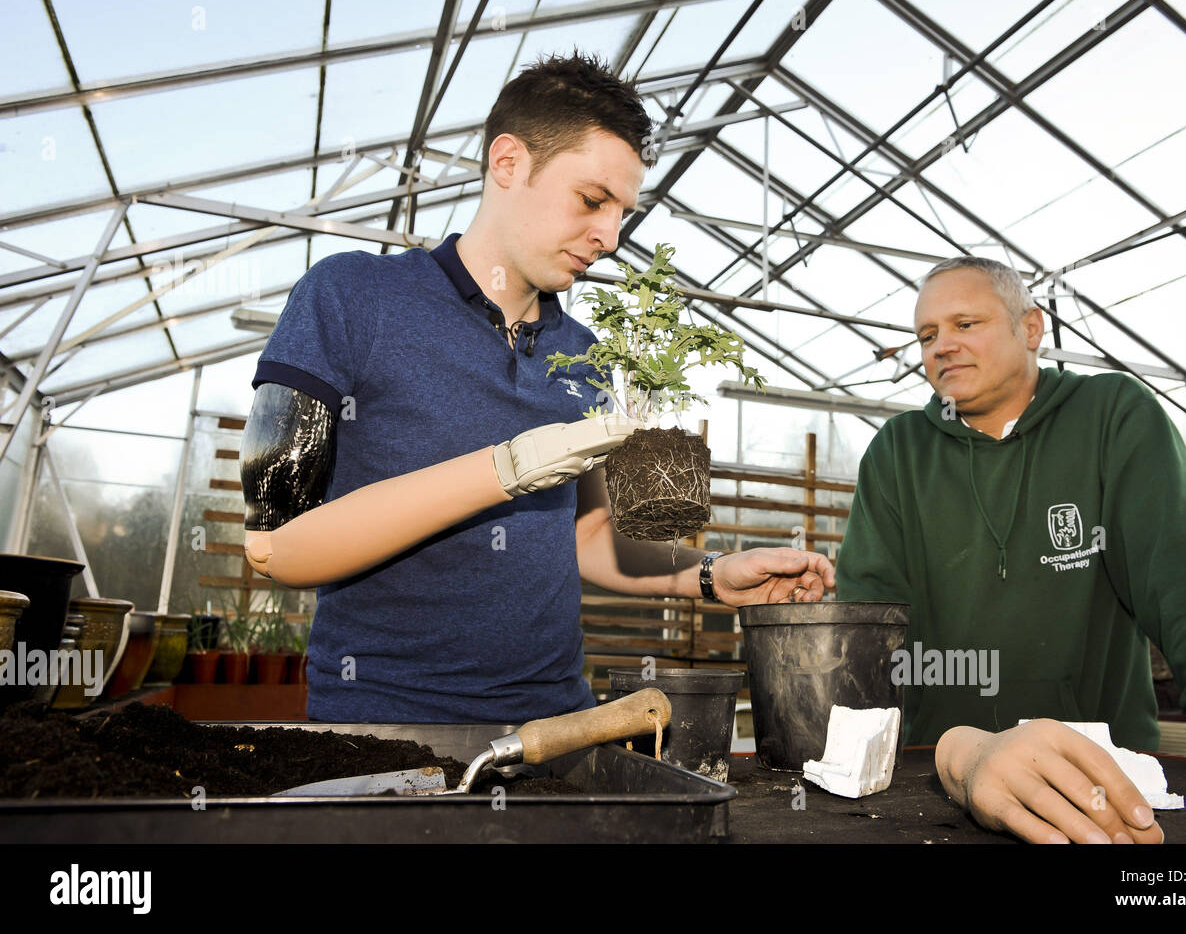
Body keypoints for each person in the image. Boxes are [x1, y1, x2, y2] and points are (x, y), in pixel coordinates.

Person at [238, 52, 834, 725]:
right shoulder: (350, 295)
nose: (610, 236)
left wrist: (708, 573)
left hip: (556, 729)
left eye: (622, 212)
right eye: (592, 200)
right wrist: (507, 468)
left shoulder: (585, 355)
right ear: (508, 163)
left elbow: (588, 537)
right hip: (382, 726)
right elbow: (275, 546)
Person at [836, 255, 1186, 844]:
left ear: (1030, 328)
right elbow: (869, 615)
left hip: (1102, 774)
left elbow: (1182, 573)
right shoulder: (899, 452)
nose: (941, 346)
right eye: (927, 335)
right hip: (940, 772)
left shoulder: (1112, 417)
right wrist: (859, 751)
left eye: (965, 324)